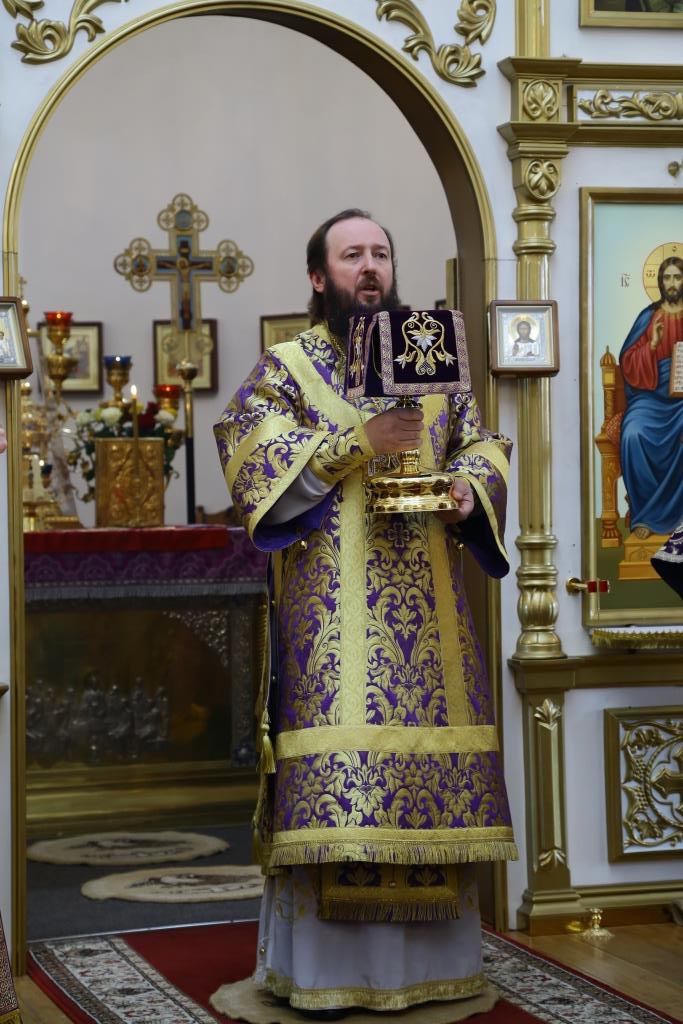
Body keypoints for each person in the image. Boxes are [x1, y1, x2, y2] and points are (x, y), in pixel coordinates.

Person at [214, 209, 516, 1018]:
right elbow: (249, 456)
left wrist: (470, 488)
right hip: (332, 627)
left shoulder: (435, 360)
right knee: (340, 790)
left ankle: (434, 971)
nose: (370, 266)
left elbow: (481, 442)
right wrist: (358, 440)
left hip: (433, 624)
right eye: (352, 255)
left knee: (425, 782)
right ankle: (322, 975)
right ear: (320, 277)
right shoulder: (288, 367)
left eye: (380, 252)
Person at [619, 255, 683, 539]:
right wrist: (652, 345)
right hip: (651, 397)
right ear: (659, 282)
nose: (672, 283)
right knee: (633, 433)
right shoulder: (648, 317)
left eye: (677, 277)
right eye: (667, 277)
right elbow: (627, 363)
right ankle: (645, 514)